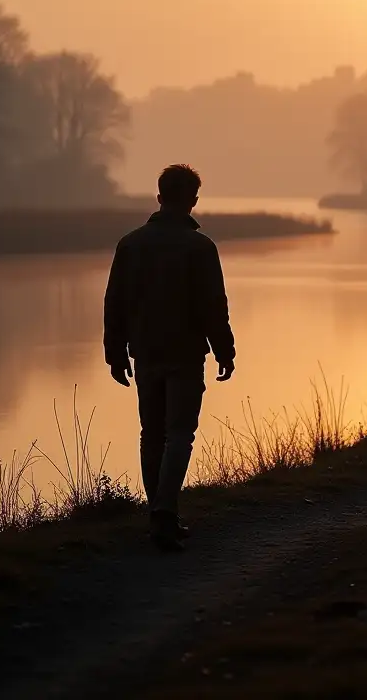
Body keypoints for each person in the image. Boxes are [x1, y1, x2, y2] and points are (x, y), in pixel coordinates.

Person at [103, 163, 235, 551]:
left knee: (152, 434)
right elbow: (215, 306)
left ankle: (158, 514)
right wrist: (225, 350)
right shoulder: (200, 248)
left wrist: (115, 352)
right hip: (186, 353)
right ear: (193, 200)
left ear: (160, 197)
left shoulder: (130, 244)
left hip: (145, 353)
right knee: (180, 433)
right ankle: (164, 512)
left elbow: (115, 304)